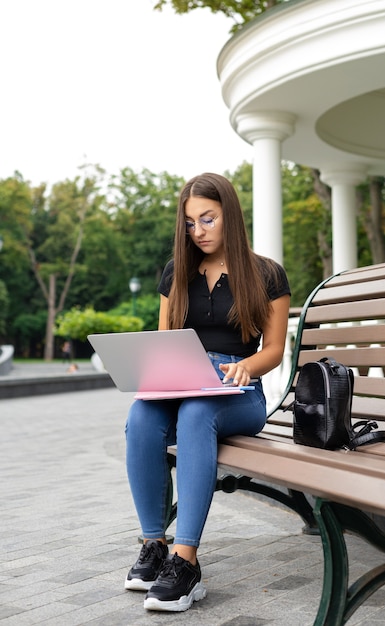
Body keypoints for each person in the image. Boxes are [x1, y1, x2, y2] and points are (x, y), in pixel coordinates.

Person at [124, 173, 291, 612]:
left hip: (242, 392)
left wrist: (243, 367)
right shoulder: (175, 273)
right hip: (184, 385)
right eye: (190, 223)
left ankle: (186, 560)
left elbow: (274, 349)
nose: (198, 231)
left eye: (208, 219)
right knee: (141, 415)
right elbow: (164, 344)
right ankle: (154, 544)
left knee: (199, 413)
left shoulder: (266, 273)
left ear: (229, 216)